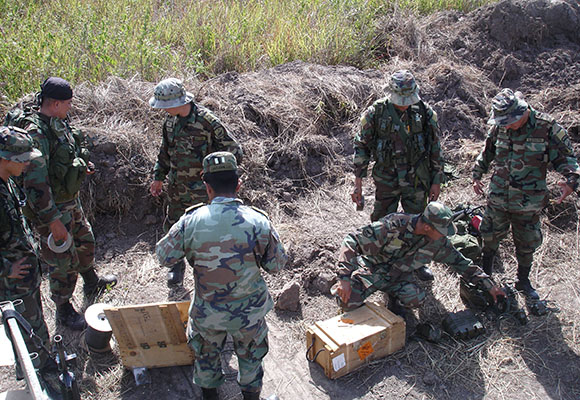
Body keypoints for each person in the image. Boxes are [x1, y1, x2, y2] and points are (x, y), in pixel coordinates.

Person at [156, 152, 286, 400]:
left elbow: (163, 257)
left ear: (207, 187)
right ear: (238, 184)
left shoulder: (189, 222)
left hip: (208, 311)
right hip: (249, 313)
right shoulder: (258, 221)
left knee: (206, 357)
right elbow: (277, 264)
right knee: (250, 358)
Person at [21, 77, 117, 330]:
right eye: (67, 103)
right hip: (51, 207)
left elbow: (64, 157)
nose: (70, 108)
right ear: (53, 103)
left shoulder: (58, 123)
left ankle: (91, 280)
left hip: (68, 201)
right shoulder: (36, 134)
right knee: (61, 259)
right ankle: (63, 309)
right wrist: (52, 221)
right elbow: (35, 183)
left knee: (85, 239)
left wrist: (80, 167)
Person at [472, 88, 580, 300]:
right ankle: (487, 275)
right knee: (490, 235)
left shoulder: (547, 127)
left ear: (521, 112)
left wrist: (571, 182)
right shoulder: (501, 126)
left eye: (511, 121)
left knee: (526, 242)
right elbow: (488, 151)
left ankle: (523, 281)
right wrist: (477, 174)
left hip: (529, 201)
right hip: (498, 196)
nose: (508, 127)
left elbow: (567, 159)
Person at [351, 70, 445, 281]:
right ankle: (377, 259)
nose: (403, 104)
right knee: (382, 218)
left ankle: (416, 262)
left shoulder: (425, 113)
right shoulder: (375, 113)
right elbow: (361, 146)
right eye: (399, 99)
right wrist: (358, 182)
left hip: (416, 178)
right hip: (387, 177)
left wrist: (437, 180)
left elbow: (435, 148)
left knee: (419, 221)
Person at [332, 202, 504, 316]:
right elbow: (351, 240)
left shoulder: (438, 243)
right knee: (347, 304)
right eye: (442, 231)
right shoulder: (392, 226)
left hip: (398, 277)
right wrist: (344, 278)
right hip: (372, 271)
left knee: (416, 298)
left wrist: (489, 285)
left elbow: (461, 263)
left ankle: (393, 299)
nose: (444, 236)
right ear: (428, 227)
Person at [149, 78, 243, 286]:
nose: (163, 111)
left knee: (209, 231)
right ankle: (176, 264)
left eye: (165, 107)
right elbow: (164, 153)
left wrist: (214, 170)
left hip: (204, 191)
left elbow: (235, 151)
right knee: (174, 226)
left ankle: (212, 268)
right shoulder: (170, 122)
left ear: (176, 102)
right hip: (176, 189)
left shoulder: (207, 121)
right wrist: (158, 178)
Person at [0, 126, 52, 374]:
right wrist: (5, 269)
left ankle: (41, 363)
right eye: (21, 160)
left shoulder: (6, 182)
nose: (26, 165)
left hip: (25, 280)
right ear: (5, 158)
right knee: (25, 332)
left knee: (35, 326)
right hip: (13, 285)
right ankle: (38, 374)